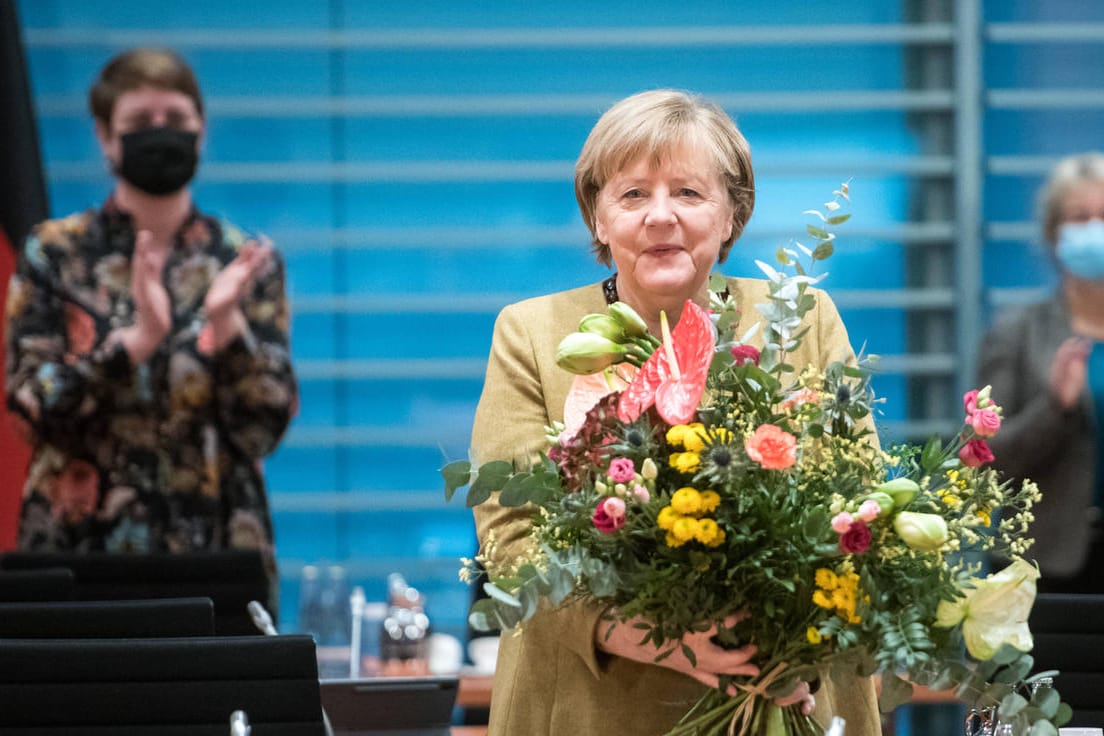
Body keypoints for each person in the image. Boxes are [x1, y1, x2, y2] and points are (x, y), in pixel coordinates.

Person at [469, 89, 879, 735]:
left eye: (689, 193)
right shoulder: (532, 333)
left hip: (782, 688)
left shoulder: (798, 322)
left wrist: (795, 634)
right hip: (594, 704)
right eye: (633, 195)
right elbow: (511, 541)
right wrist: (658, 637)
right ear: (598, 219)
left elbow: (858, 506)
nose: (661, 216)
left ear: (731, 216)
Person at [3, 48, 296, 606]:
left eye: (176, 122)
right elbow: (32, 410)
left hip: (216, 549)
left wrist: (227, 324)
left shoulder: (244, 261)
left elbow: (264, 428)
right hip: (78, 553)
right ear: (105, 136)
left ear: (201, 132)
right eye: (139, 124)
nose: (159, 136)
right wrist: (134, 344)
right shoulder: (53, 254)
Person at [979, 151, 1104, 594]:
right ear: (1053, 234)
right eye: (1079, 217)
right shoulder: (1017, 332)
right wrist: (1055, 407)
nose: (1095, 229)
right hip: (1040, 568)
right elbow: (986, 464)